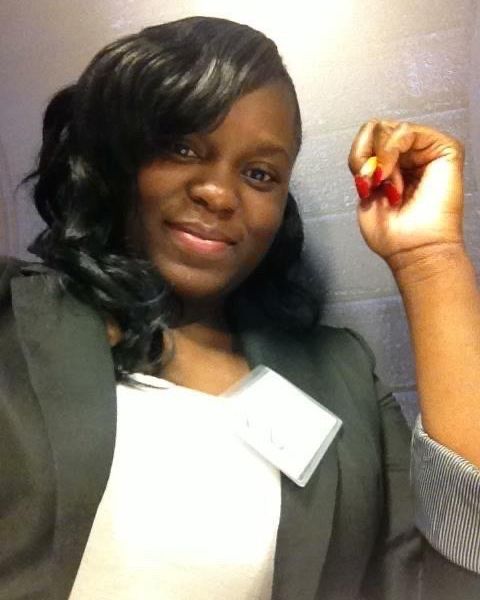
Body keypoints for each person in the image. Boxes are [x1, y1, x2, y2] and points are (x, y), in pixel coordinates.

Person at [0, 15, 479, 600]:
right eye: (181, 147)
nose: (220, 194)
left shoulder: (340, 378)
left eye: (259, 174)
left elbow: (446, 578)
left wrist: (430, 259)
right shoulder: (13, 319)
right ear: (119, 158)